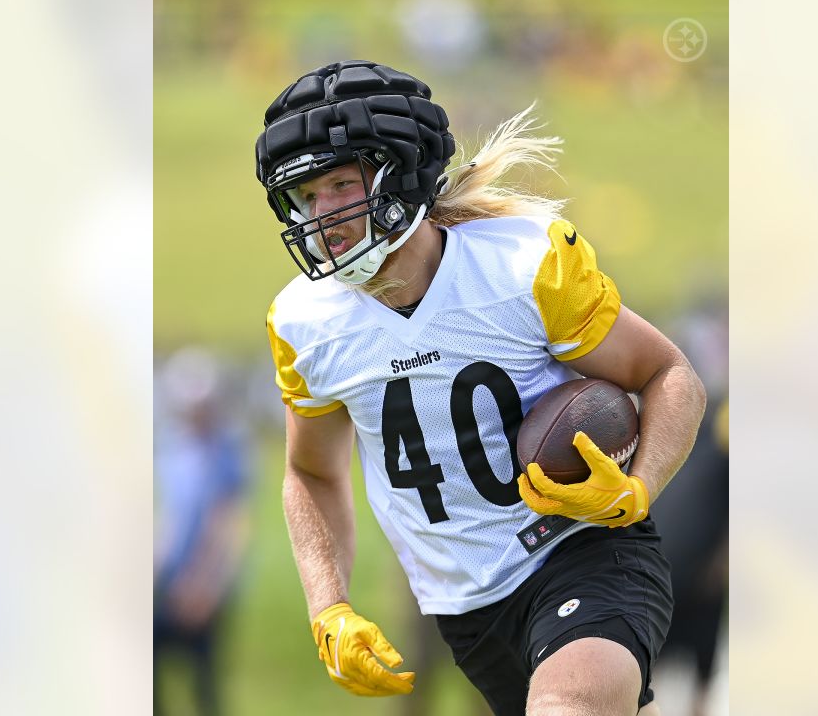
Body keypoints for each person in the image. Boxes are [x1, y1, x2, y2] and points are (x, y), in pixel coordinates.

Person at [258, 60, 705, 716]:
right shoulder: (305, 323)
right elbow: (312, 474)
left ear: (400, 172)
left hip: (582, 553)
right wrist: (329, 606)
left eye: (339, 185)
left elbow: (671, 377)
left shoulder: (522, 267)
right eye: (306, 197)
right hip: (465, 608)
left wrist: (638, 487)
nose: (322, 217)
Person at [154, 348, 253, 716]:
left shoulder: (227, 449)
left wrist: (206, 586)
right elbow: (170, 516)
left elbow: (229, 523)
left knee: (204, 687)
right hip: (169, 582)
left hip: (205, 590)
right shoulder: (173, 447)